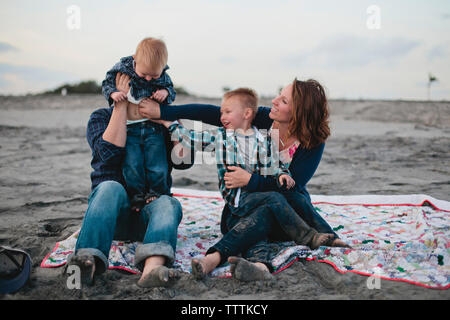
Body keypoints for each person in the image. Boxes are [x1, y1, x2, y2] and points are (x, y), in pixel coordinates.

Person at [135, 78, 350, 281]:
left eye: (283, 101)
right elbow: (209, 113)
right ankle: (262, 265)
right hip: (247, 206)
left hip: (287, 213)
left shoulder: (311, 142)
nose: (274, 101)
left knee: (281, 201)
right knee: (262, 210)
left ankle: (214, 258)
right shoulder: (262, 120)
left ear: (299, 113)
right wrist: (164, 113)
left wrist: (250, 180)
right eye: (279, 95)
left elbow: (293, 186)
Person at [67, 73, 192, 288]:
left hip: (151, 221)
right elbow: (108, 155)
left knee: (169, 202)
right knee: (109, 187)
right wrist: (120, 107)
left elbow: (185, 160)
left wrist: (169, 120)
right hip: (116, 218)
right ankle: (86, 263)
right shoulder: (101, 117)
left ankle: (152, 269)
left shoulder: (162, 121)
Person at [101, 37, 177, 212]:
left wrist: (165, 92)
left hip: (153, 127)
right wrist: (113, 93)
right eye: (144, 75)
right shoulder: (122, 68)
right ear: (135, 59)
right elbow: (107, 83)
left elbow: (172, 90)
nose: (149, 79)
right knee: (132, 163)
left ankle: (158, 193)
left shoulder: (163, 75)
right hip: (130, 127)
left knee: (157, 163)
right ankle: (136, 196)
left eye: (155, 76)